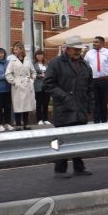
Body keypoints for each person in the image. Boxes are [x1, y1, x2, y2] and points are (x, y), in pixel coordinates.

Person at [43, 35, 93, 177]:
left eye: (80, 49)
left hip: (80, 108)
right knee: (60, 139)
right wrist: (65, 96)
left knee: (78, 139)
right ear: (68, 49)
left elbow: (90, 88)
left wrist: (90, 107)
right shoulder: (56, 63)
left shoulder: (85, 65)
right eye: (75, 49)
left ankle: (79, 167)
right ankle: (59, 169)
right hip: (63, 108)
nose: (78, 52)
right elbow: (48, 84)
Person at [85, 35, 108, 124]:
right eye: (93, 42)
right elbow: (85, 66)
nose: (94, 43)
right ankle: (96, 122)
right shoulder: (89, 53)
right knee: (95, 102)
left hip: (105, 81)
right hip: (93, 81)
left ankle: (104, 121)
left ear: (102, 43)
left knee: (104, 102)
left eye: (96, 42)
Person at [6, 41, 36, 130]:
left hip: (27, 84)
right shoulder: (12, 60)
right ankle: (18, 124)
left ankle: (26, 124)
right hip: (18, 85)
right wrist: (14, 82)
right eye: (14, 49)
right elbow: (8, 73)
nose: (15, 51)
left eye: (16, 49)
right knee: (18, 105)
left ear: (21, 49)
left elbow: (33, 71)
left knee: (27, 105)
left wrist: (32, 79)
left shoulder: (28, 59)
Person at [32, 49, 50, 125]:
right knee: (39, 103)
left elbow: (50, 72)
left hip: (46, 86)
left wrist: (47, 75)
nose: (40, 56)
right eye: (38, 54)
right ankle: (39, 119)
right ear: (35, 56)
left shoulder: (46, 63)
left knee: (46, 103)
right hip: (38, 86)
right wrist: (40, 75)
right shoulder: (33, 64)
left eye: (41, 54)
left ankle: (45, 119)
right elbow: (32, 74)